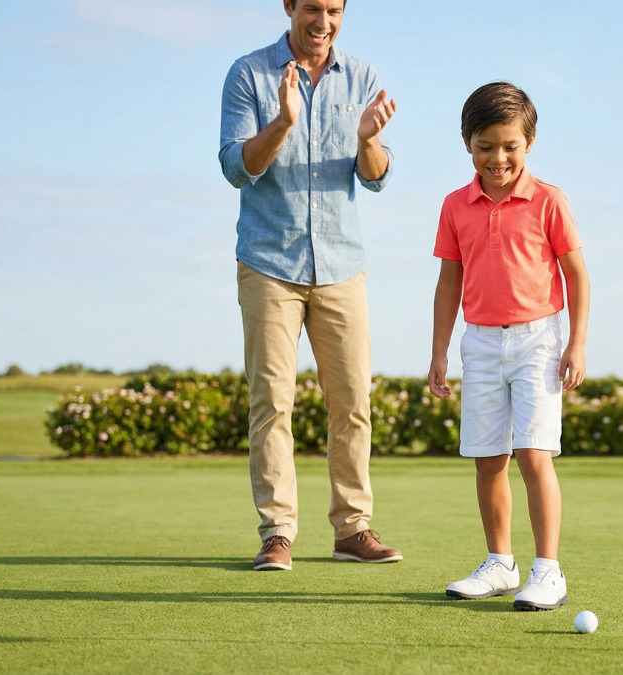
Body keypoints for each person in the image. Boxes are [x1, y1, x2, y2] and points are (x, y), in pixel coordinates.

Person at [218, 0, 402, 571]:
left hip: (342, 266)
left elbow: (375, 178)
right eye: (313, 9)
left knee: (352, 401)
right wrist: (283, 123)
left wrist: (369, 139)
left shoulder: (363, 77)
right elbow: (234, 167)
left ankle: (353, 530)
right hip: (270, 263)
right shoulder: (249, 73)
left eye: (334, 10)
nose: (323, 22)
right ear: (289, 7)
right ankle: (277, 532)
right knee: (272, 401)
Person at [428, 82, 591, 610]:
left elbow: (576, 275)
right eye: (485, 147)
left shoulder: (549, 200)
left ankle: (548, 571)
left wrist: (578, 343)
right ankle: (500, 563)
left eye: (509, 146)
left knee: (534, 454)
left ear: (530, 142)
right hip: (478, 343)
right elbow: (448, 282)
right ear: (466, 144)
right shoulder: (455, 205)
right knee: (487, 458)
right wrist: (439, 352)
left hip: (539, 340)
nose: (498, 158)